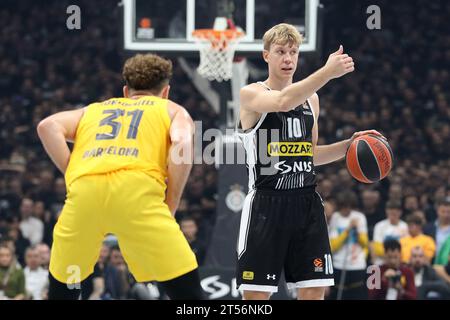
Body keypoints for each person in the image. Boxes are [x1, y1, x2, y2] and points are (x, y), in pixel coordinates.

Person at [236, 23, 384, 300]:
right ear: (266, 55)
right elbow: (282, 101)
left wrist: (349, 145)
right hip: (267, 204)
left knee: (315, 290)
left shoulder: (311, 100)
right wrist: (328, 72)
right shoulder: (250, 94)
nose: (288, 59)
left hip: (307, 203)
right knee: (256, 296)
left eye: (293, 52)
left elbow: (310, 153)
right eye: (280, 52)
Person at [37, 53, 203, 300]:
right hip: (136, 193)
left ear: (126, 91)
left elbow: (47, 126)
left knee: (64, 286)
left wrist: (73, 171)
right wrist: (171, 203)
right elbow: (182, 142)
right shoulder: (171, 109)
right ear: (165, 91)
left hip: (85, 194)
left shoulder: (94, 110)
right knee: (187, 292)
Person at [328, 190, 369, 299]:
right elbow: (333, 246)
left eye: (349, 206)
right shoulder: (335, 218)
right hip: (339, 265)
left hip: (357, 265)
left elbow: (365, 243)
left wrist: (357, 231)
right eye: (344, 206)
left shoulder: (359, 217)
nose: (347, 209)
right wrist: (347, 231)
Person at [371, 200, 409, 265]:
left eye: (395, 212)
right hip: (382, 262)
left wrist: (396, 259)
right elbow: (377, 247)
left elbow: (406, 246)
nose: (393, 214)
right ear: (386, 211)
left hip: (400, 262)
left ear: (400, 212)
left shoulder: (405, 226)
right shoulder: (379, 226)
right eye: (390, 211)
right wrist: (390, 258)